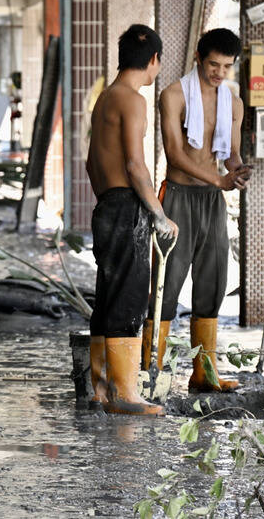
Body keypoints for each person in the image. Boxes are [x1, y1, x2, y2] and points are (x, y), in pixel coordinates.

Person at [141, 28, 251, 392]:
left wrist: (236, 172)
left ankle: (204, 374)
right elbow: (174, 154)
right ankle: (148, 376)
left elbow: (231, 154)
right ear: (199, 60)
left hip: (212, 202)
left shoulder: (233, 103)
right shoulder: (173, 95)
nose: (219, 72)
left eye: (227, 67)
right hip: (177, 197)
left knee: (213, 282)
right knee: (166, 287)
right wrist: (220, 181)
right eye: (214, 64)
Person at [85, 24, 178, 416]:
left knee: (108, 295)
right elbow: (136, 165)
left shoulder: (104, 98)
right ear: (154, 60)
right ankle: (125, 395)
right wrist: (158, 215)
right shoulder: (133, 99)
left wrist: (109, 201)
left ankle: (101, 389)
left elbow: (92, 163)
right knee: (129, 297)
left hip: (106, 204)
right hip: (125, 207)